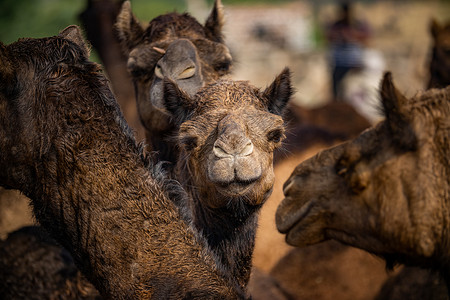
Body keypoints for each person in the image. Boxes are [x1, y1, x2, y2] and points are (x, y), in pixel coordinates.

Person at [326, 2, 371, 101]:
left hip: (354, 63)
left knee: (354, 91)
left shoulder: (357, 24)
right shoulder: (337, 25)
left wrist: (352, 35)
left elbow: (367, 36)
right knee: (337, 91)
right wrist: (340, 35)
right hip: (339, 63)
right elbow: (328, 37)